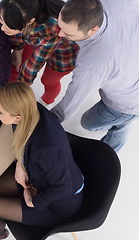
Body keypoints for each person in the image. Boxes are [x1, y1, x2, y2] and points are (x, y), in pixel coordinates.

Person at [0, 82, 84, 240]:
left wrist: (32, 201)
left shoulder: (47, 150)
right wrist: (20, 166)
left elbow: (63, 187)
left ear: (17, 117)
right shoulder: (30, 109)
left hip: (56, 204)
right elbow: (20, 133)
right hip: (36, 179)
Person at [50, 0, 139, 152]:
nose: (60, 34)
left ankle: (120, 131)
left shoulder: (95, 63)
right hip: (128, 67)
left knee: (88, 124)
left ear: (93, 30)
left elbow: (71, 101)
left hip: (129, 102)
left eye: (68, 33)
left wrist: (46, 121)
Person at [0, 0, 79, 106]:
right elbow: (16, 32)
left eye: (9, 25)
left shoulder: (51, 29)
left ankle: (45, 102)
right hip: (36, 37)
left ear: (30, 21)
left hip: (63, 53)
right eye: (1, 20)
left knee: (48, 81)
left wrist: (20, 90)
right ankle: (6, 92)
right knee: (16, 66)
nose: (2, 28)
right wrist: (17, 52)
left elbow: (34, 65)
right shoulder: (17, 10)